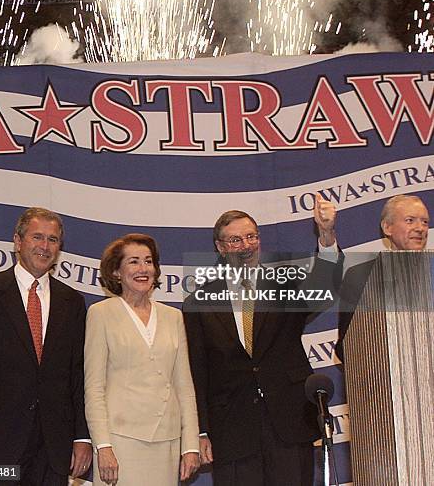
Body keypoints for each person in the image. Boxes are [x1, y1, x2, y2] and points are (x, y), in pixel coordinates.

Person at [183, 194, 338, 486]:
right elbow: (198, 372)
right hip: (232, 430)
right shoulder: (199, 302)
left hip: (289, 422)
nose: (246, 246)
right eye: (235, 240)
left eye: (251, 236)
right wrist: (201, 431)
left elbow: (325, 286)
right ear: (220, 248)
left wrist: (327, 235)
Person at [0, 207, 92, 486]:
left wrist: (81, 436)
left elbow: (77, 374)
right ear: (18, 242)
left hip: (53, 446)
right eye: (37, 237)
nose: (45, 246)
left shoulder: (73, 302)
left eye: (53, 240)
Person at [84, 233, 200, 486]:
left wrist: (190, 445)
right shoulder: (100, 314)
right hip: (120, 442)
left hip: (167, 442)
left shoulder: (173, 316)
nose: (143, 269)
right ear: (116, 271)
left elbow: (184, 386)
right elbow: (94, 388)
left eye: (148, 261)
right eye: (134, 262)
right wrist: (103, 445)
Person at [336, 194, 430, 360]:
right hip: (385, 374)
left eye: (425, 222)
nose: (420, 228)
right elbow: (346, 346)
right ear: (387, 228)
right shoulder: (361, 277)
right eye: (410, 220)